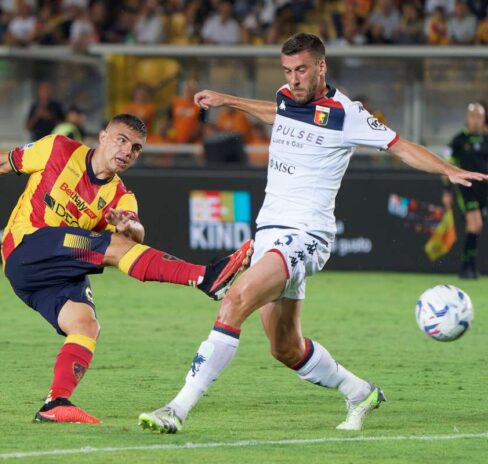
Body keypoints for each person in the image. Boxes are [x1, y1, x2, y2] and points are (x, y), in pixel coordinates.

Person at [138, 33, 488, 434]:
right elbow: (277, 112)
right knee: (285, 347)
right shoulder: (286, 97)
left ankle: (176, 409)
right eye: (287, 70)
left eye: (301, 69)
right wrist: (227, 100)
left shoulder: (347, 114)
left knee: (234, 300)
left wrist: (448, 169)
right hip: (269, 233)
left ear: (321, 67)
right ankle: (360, 391)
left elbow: (399, 145)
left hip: (305, 235)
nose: (293, 78)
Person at [0, 114, 252, 424]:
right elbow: (0, 163)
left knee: (85, 324)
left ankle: (55, 402)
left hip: (53, 272)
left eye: (136, 148)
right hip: (26, 246)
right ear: (103, 136)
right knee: (110, 246)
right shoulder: (58, 149)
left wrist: (128, 226)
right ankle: (206, 277)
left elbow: (135, 234)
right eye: (121, 140)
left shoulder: (122, 196)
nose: (127, 151)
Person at [442, 102, 487, 279]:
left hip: (484, 189)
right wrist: (446, 190)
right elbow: (446, 165)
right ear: (467, 118)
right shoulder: (458, 140)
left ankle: (469, 265)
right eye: (473, 116)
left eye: (479, 116)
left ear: (484, 119)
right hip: (466, 187)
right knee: (475, 223)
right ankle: (467, 266)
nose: (476, 120)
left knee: (475, 227)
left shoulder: (486, 140)